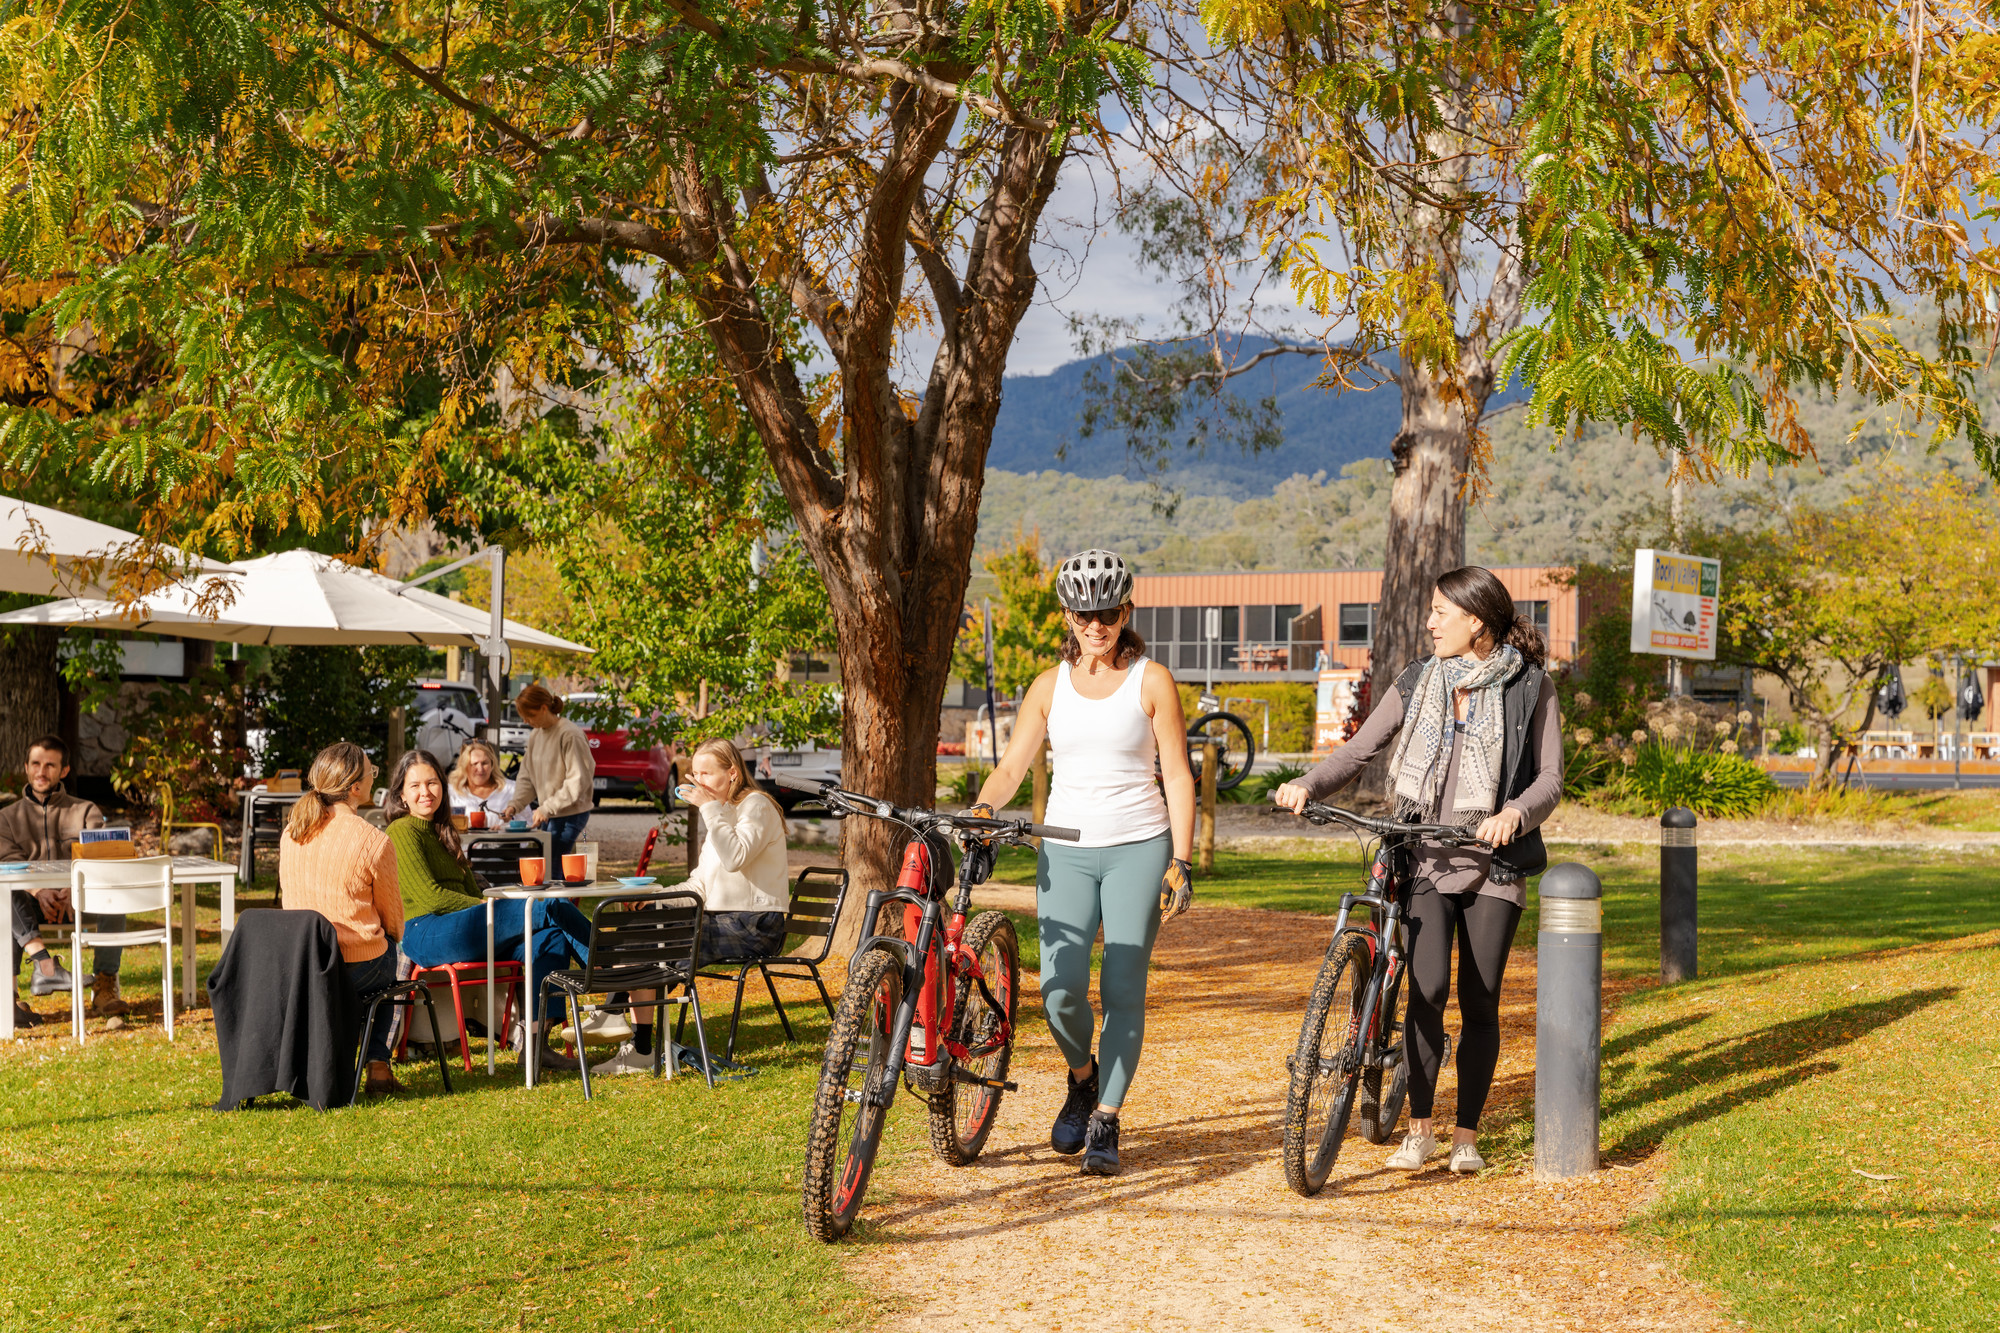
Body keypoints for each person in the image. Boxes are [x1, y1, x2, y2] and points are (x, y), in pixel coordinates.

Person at [1274, 566, 1562, 1174]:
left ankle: (1465, 1137)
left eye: (1441, 612)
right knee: (1427, 991)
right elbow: (1360, 749)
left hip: (1493, 865)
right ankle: (1420, 1131)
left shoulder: (1531, 687)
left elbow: (1550, 779)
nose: (1429, 622)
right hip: (1426, 856)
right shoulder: (1418, 680)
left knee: (1479, 1002)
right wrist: (1307, 782)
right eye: (1431, 611)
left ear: (1476, 621)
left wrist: (1514, 812)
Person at [965, 549, 1196, 1177]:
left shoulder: (1153, 680)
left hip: (1138, 848)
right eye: (1084, 612)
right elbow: (1014, 765)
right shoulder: (1049, 685)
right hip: (1063, 849)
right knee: (1061, 989)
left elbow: (1175, 772)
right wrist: (985, 807)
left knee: (1123, 988)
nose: (1095, 623)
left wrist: (1181, 856)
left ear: (1125, 611)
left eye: (1107, 611)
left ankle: (1106, 1118)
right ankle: (1082, 1079)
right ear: (1068, 615)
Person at [384, 748, 592, 1073]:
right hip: (426, 932)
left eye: (432, 782)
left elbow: (469, 891)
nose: (425, 792)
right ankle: (609, 974)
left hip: (462, 927)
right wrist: (489, 907)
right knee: (547, 903)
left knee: (551, 937)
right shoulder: (402, 831)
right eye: (415, 786)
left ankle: (536, 1045)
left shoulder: (444, 832)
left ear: (443, 785)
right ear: (401, 794)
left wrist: (485, 905)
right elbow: (431, 898)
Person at [591, 738, 790, 1077]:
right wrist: (657, 899)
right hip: (716, 918)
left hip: (755, 923)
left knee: (663, 940)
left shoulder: (755, 806)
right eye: (694, 774)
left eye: (706, 774)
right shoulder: (720, 814)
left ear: (732, 773)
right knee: (641, 924)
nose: (697, 782)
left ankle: (616, 1018)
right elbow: (699, 884)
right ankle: (635, 1043)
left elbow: (735, 858)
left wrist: (709, 810)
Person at [278, 742, 407, 1097]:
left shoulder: (291, 834)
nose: (373, 777)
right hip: (354, 963)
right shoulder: (373, 841)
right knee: (392, 951)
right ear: (355, 788)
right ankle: (378, 1062)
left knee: (384, 952)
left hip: (302, 964)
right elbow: (393, 919)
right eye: (372, 773)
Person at [1, 734, 130, 1030]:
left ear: (64, 771)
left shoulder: (86, 810)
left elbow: (100, 856)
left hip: (81, 898)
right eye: (35, 764)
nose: (41, 772)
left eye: (50, 765)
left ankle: (104, 988)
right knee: (4, 895)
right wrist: (39, 890)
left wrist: (76, 887)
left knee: (115, 900)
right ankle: (12, 995)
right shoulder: (6, 817)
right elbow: (7, 863)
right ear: (26, 767)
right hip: (30, 904)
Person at [502, 685, 595, 859]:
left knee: (553, 869)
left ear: (544, 709)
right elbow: (527, 777)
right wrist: (515, 805)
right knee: (545, 867)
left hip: (570, 814)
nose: (526, 721)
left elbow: (578, 781)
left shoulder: (569, 734)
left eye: (530, 716)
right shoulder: (536, 735)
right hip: (550, 813)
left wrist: (547, 808)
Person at [446, 739, 514, 821]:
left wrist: (505, 826)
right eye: (474, 764)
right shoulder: (451, 792)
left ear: (492, 765)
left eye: (484, 763)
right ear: (464, 766)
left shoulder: (511, 789)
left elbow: (528, 822)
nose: (480, 769)